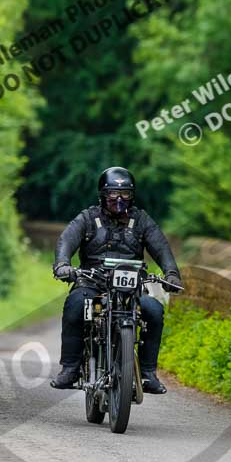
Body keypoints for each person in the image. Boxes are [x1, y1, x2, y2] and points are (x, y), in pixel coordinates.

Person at [51, 166, 182, 394]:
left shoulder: (141, 221)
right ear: (103, 194)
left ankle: (148, 373)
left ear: (133, 196)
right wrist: (63, 265)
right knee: (75, 305)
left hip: (132, 289)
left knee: (153, 310)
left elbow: (161, 248)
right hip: (92, 283)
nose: (119, 199)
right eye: (113, 194)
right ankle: (70, 368)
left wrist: (171, 273)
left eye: (125, 195)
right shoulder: (88, 218)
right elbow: (66, 240)